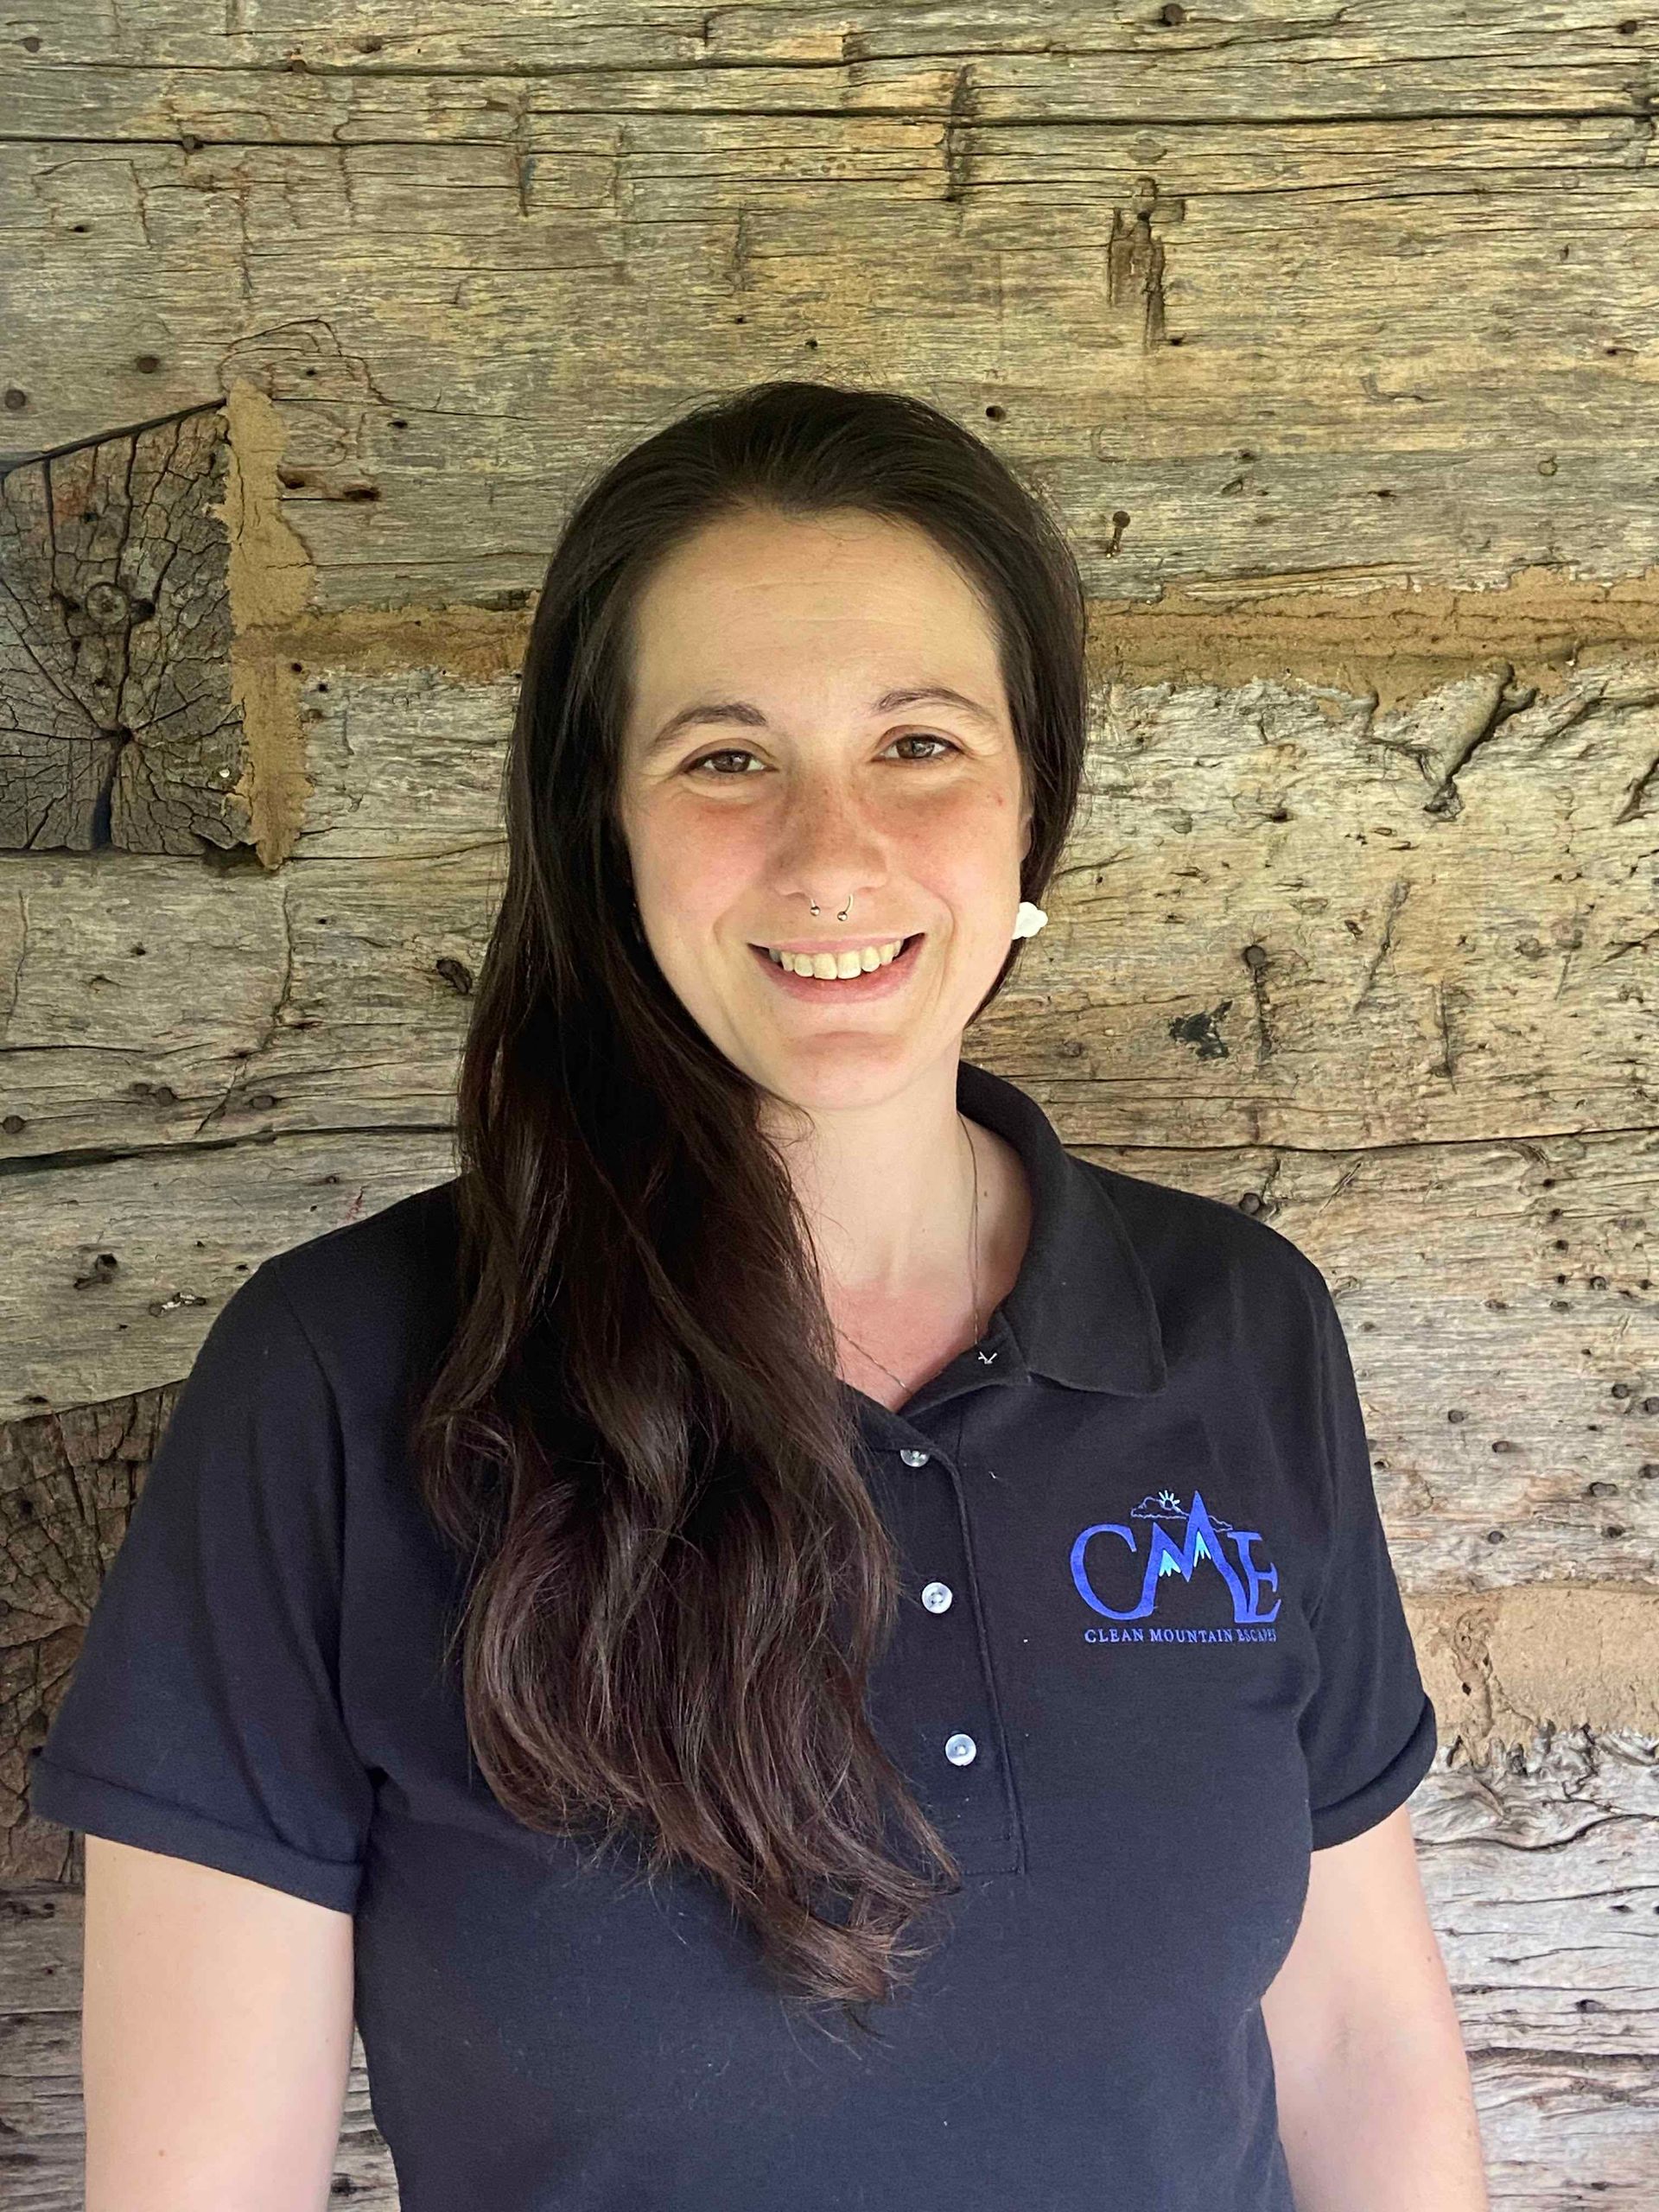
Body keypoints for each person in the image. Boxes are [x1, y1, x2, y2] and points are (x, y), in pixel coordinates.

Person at [28, 380, 1489, 2209]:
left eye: (922, 743)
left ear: (1033, 794)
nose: (832, 851)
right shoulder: (342, 1380)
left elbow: (1361, 2052)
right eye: (726, 756)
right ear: (602, 825)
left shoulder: (1238, 1327)